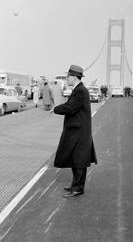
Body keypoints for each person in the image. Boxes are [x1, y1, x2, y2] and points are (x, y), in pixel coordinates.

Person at [50, 64, 97, 198]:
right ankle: (75, 186)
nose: (66, 78)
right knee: (75, 159)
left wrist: (55, 109)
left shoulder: (80, 91)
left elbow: (70, 107)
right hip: (77, 131)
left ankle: (78, 188)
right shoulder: (79, 89)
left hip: (79, 132)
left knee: (79, 160)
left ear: (74, 77)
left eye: (68, 76)